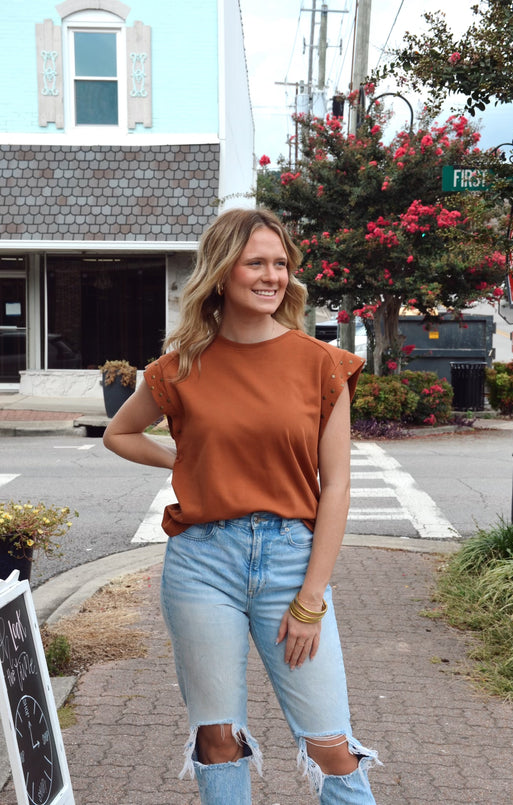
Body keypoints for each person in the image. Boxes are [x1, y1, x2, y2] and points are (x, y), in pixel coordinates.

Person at [103, 208, 379, 804]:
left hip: (290, 562)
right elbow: (119, 434)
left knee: (331, 741)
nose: (271, 276)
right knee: (217, 737)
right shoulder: (178, 368)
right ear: (223, 272)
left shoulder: (321, 364)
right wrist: (184, 460)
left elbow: (336, 487)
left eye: (280, 264)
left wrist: (311, 599)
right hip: (202, 566)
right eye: (256, 262)